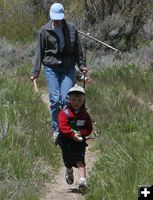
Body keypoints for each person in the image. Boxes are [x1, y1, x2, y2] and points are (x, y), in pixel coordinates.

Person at [30, 3, 88, 139]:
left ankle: (68, 127)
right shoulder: (44, 31)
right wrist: (35, 72)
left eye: (59, 18)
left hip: (68, 67)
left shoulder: (71, 29)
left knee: (66, 99)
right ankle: (57, 129)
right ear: (51, 16)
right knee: (55, 100)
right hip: (52, 67)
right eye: (54, 18)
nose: (56, 20)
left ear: (63, 16)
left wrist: (82, 65)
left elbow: (78, 50)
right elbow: (39, 52)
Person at [57, 84, 93, 192]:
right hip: (66, 141)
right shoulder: (64, 113)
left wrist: (81, 133)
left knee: (80, 160)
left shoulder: (85, 115)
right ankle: (69, 170)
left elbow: (89, 128)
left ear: (83, 100)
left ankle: (83, 181)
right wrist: (72, 134)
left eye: (79, 100)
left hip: (79, 142)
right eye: (74, 100)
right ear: (69, 99)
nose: (76, 103)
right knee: (68, 160)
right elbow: (62, 127)